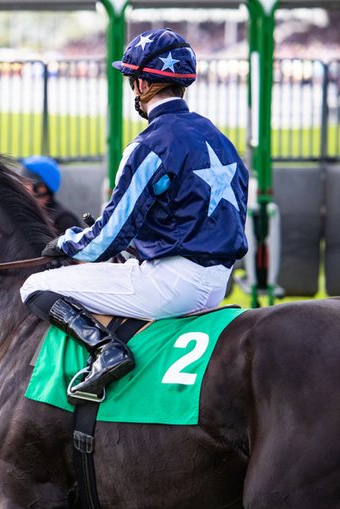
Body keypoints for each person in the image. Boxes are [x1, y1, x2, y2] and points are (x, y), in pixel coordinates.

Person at [20, 28, 249, 398]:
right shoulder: (219, 139)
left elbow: (106, 238)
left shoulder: (149, 144)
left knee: (36, 286)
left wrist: (66, 243)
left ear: (143, 84)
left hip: (172, 284)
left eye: (132, 81)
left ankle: (105, 351)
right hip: (218, 281)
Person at [21, 155, 84, 232]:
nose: (22, 187)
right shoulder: (27, 215)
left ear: (42, 188)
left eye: (27, 183)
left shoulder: (63, 220)